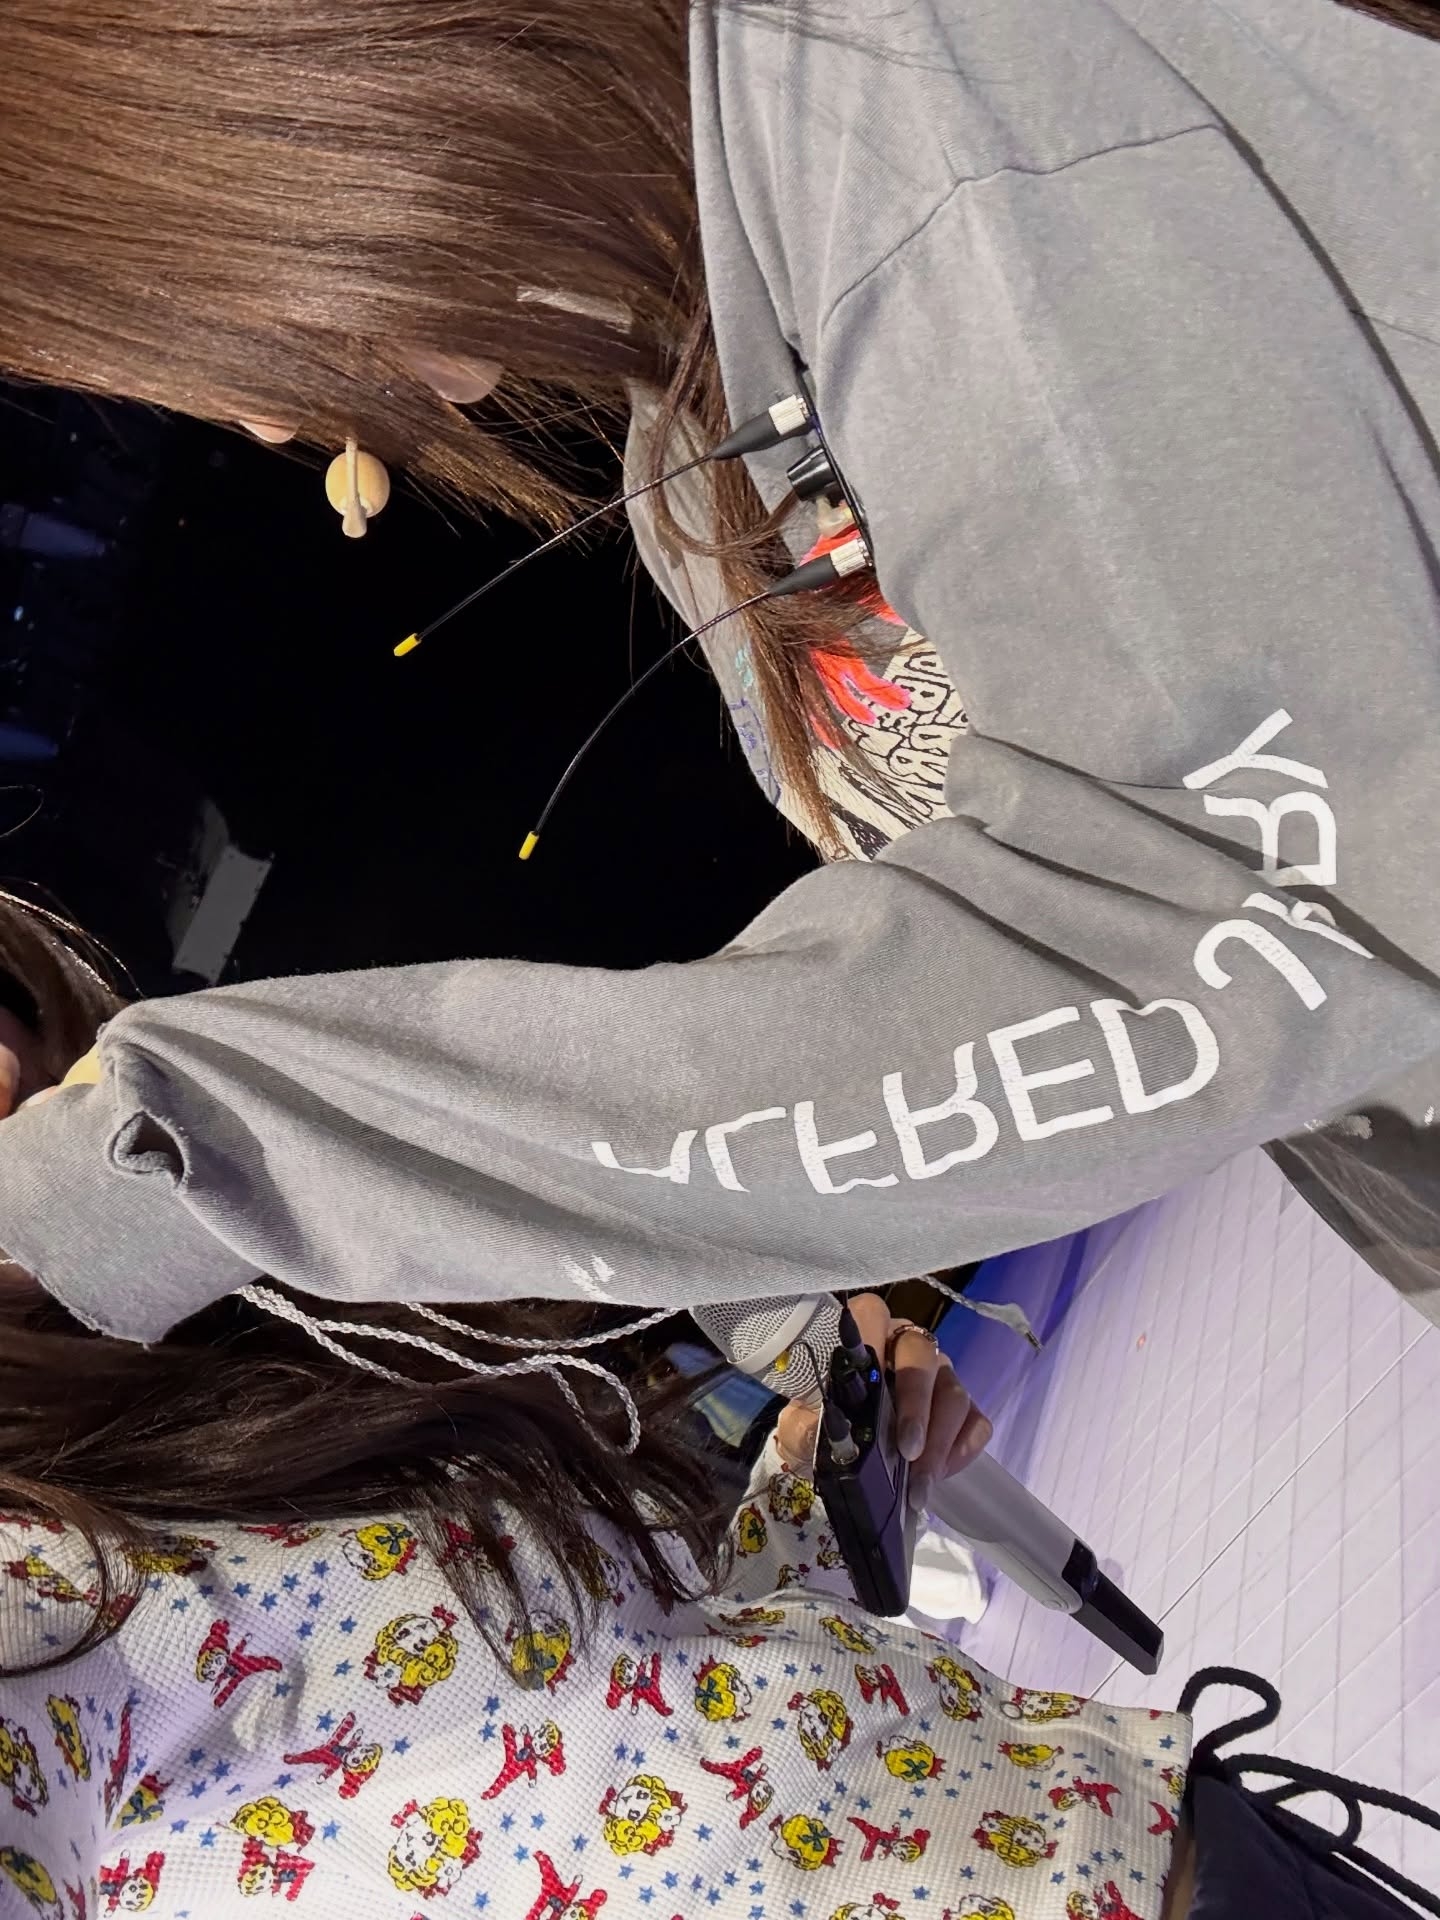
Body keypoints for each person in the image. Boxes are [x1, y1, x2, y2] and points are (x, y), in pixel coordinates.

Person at [2, 5, 1440, 1353]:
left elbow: (1249, 913)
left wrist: (219, 1142)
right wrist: (755, 1286)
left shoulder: (895, 107)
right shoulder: (689, 445)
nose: (259, 421)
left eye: (174, 319)